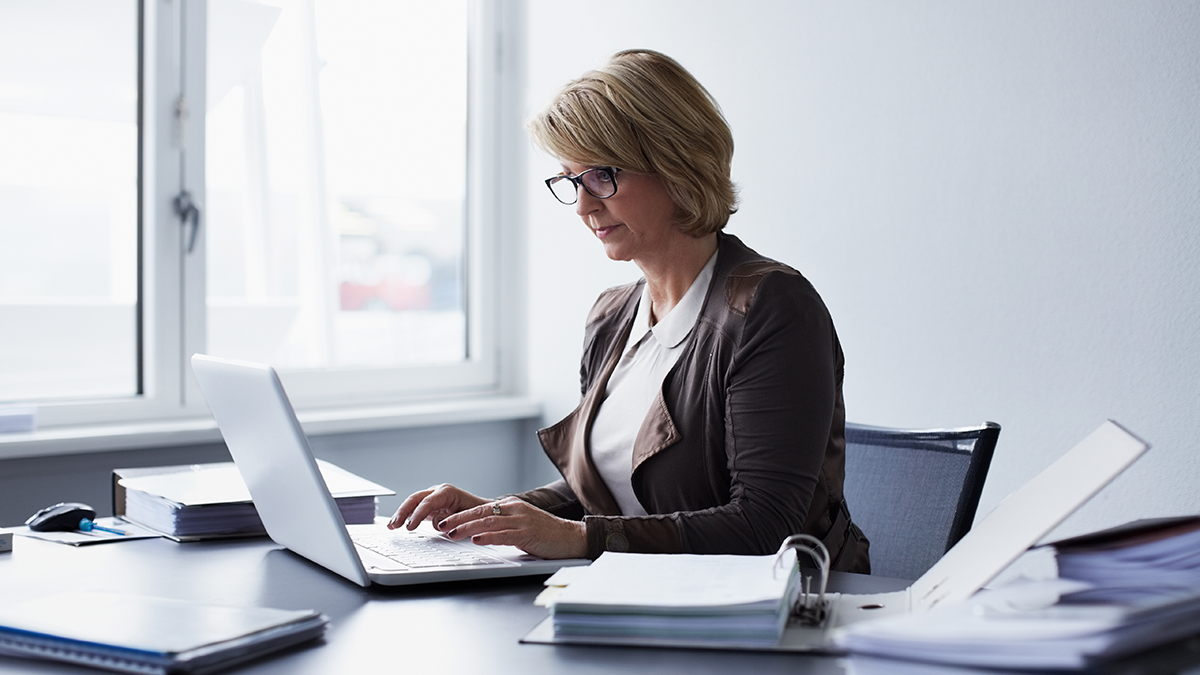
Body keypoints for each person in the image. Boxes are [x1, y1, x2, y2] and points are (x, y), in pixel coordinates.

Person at [388, 49, 869, 573]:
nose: (583, 205)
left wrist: (577, 539)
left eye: (600, 176)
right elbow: (603, 493)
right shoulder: (613, 316)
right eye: (571, 180)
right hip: (647, 595)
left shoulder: (772, 306)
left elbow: (763, 526)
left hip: (762, 615)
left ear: (676, 164)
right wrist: (494, 514)